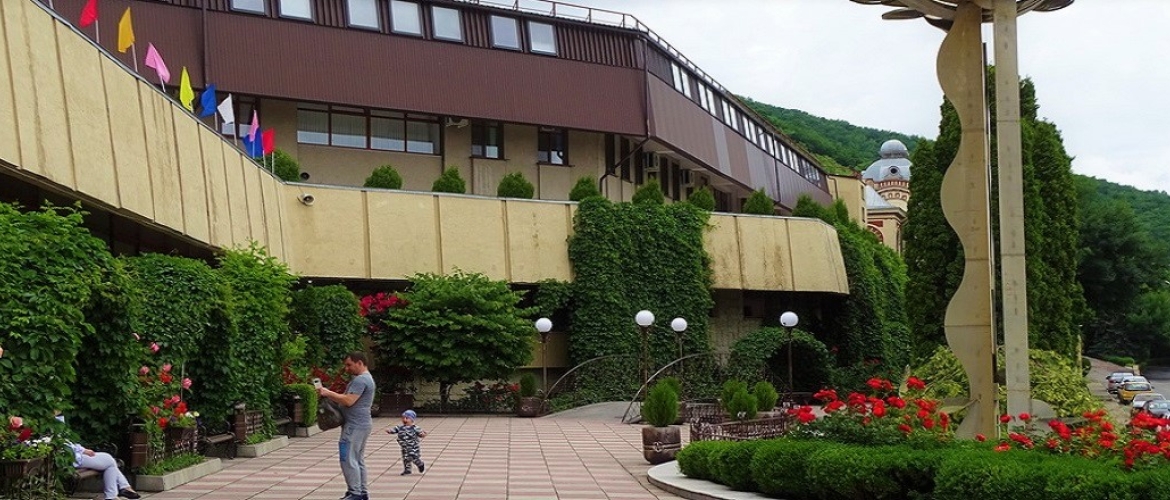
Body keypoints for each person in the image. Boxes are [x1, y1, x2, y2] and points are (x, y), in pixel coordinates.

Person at [317, 351, 376, 500]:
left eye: (349, 365)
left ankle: (355, 493)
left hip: (354, 426)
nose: (347, 368)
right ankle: (361, 492)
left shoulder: (361, 380)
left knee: (347, 458)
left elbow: (349, 401)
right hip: (361, 424)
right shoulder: (366, 378)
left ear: (359, 363)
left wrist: (328, 393)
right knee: (357, 459)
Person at [55, 414, 140, 500]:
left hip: (76, 456)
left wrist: (83, 450)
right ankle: (120, 490)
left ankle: (118, 492)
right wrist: (82, 450)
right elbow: (63, 444)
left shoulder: (57, 422)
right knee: (110, 461)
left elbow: (67, 442)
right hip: (74, 459)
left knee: (110, 463)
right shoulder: (52, 425)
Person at [385, 410, 427, 475]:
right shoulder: (400, 427)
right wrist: (390, 431)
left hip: (413, 447)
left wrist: (422, 434)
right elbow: (394, 430)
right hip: (404, 447)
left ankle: (420, 464)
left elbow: (420, 433)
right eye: (403, 418)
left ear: (412, 420)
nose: (404, 419)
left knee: (413, 457)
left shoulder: (415, 428)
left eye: (407, 418)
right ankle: (407, 470)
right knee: (405, 458)